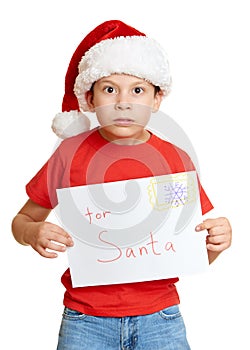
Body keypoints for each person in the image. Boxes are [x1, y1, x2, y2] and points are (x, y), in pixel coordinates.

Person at [12, 20, 232, 349]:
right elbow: (22, 221)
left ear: (157, 99)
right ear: (90, 97)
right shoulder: (69, 155)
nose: (123, 102)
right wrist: (32, 233)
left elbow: (188, 253)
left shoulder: (175, 160)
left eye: (138, 90)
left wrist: (215, 243)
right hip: (85, 320)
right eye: (110, 89)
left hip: (161, 318)